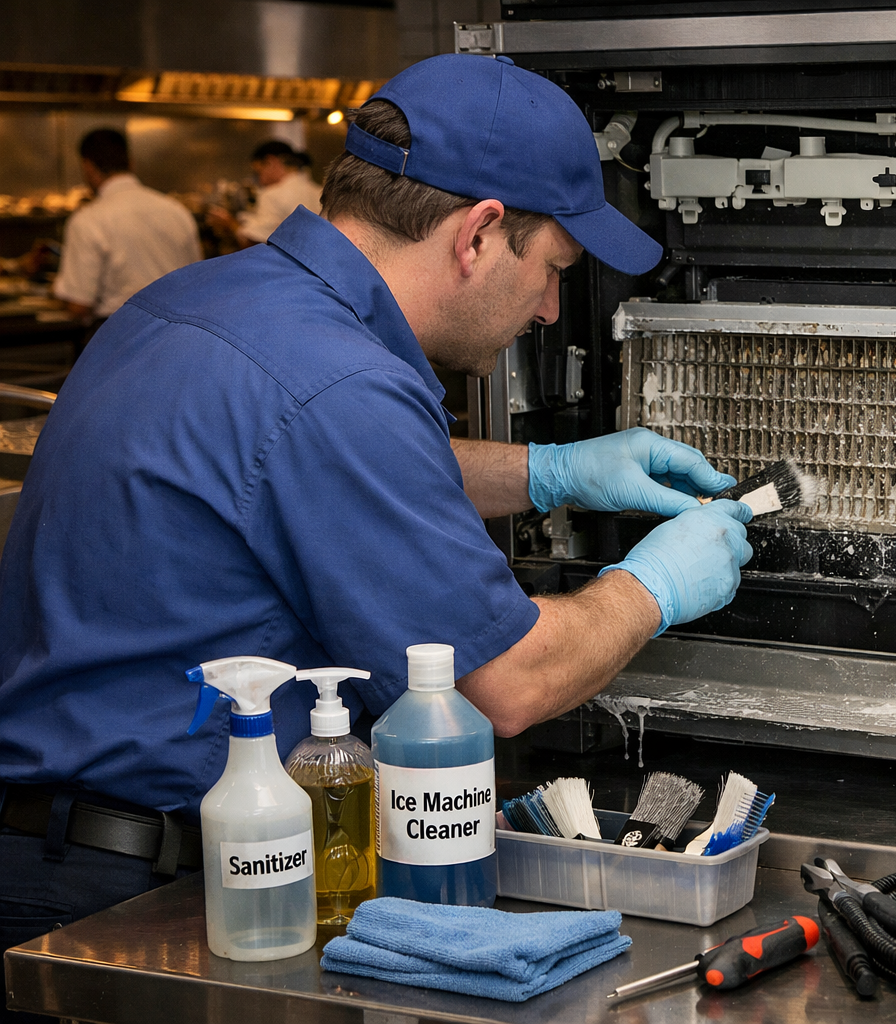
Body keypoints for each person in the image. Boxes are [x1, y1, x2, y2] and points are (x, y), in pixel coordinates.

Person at [0, 54, 750, 1007]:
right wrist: (656, 585)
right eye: (554, 270)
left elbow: (309, 475)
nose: (552, 309)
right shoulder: (337, 381)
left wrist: (549, 471)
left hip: (54, 842)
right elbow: (513, 681)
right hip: (143, 897)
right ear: (480, 233)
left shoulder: (205, 301)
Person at [51, 128, 201, 323]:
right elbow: (198, 282)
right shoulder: (177, 211)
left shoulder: (88, 220)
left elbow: (79, 305)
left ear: (87, 166)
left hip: (118, 332)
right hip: (178, 331)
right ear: (131, 163)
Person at [206, 139, 323, 247]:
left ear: (271, 162)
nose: (259, 180)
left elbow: (257, 243)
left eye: (258, 172)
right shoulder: (320, 191)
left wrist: (229, 224)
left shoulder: (272, 195)